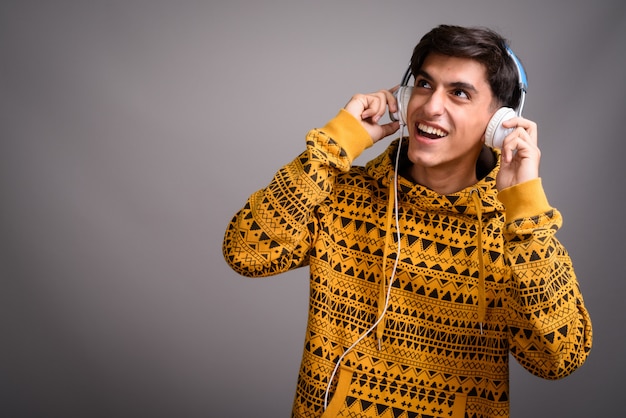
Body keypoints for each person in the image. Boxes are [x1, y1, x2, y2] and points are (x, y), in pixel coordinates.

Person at [222, 24, 592, 418]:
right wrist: (335, 143)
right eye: (424, 84)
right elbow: (246, 253)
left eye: (459, 93)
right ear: (403, 95)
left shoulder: (516, 233)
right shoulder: (341, 196)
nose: (431, 106)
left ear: (499, 123)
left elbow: (558, 359)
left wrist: (526, 207)